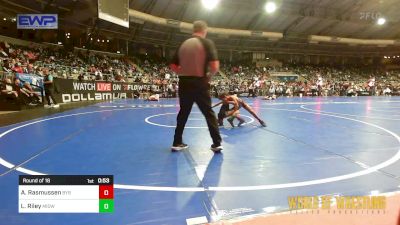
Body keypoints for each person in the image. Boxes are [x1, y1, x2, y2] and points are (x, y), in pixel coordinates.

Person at [170, 20, 222, 152]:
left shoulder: (183, 44)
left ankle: (176, 142)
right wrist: (208, 77)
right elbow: (215, 66)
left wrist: (182, 73)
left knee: (183, 113)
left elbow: (172, 65)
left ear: (193, 30)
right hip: (200, 82)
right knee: (208, 113)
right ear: (205, 30)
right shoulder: (207, 43)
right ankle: (216, 143)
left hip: (184, 83)